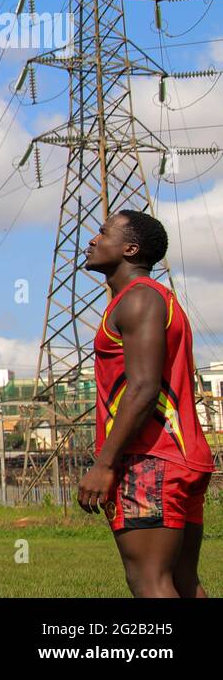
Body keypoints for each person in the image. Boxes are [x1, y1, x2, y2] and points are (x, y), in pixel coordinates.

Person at [76, 210, 214, 597]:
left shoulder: (139, 300)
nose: (92, 239)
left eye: (103, 233)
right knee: (182, 582)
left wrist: (104, 465)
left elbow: (143, 388)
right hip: (177, 458)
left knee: (149, 581)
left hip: (150, 460)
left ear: (130, 249)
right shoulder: (153, 299)